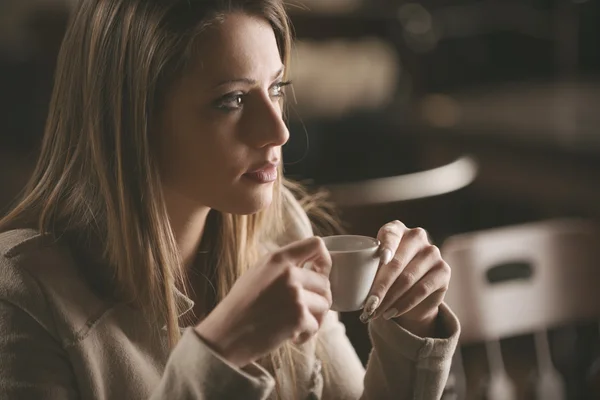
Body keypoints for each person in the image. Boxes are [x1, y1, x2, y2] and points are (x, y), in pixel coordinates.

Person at [0, 0, 460, 399]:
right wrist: (219, 353)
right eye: (233, 100)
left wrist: (412, 328)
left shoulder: (283, 230)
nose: (278, 130)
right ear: (131, 120)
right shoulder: (24, 296)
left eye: (276, 88)